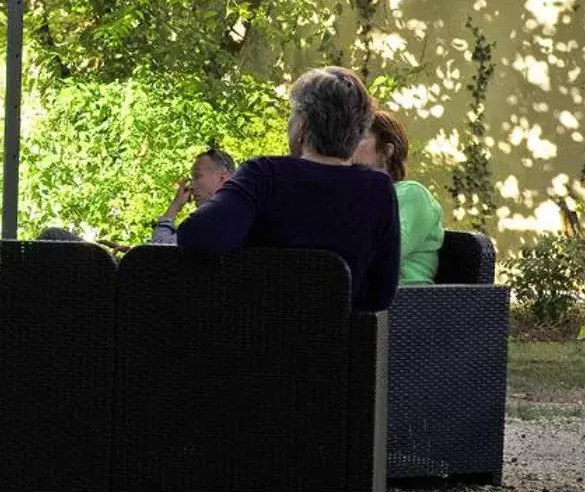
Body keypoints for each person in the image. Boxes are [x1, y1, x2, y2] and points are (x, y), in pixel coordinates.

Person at [176, 66, 400, 311]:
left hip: (246, 338)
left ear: (302, 127)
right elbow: (380, 295)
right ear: (357, 134)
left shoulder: (264, 175)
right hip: (331, 345)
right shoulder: (378, 190)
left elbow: (199, 235)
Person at [352, 107, 445, 284]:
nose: (348, 143)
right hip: (363, 299)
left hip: (405, 302)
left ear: (387, 151)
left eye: (360, 136)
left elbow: (384, 252)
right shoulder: (358, 196)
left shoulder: (411, 193)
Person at [147, 145, 236, 246]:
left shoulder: (208, 220)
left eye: (197, 176)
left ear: (223, 178)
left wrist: (174, 206)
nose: (190, 186)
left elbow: (159, 250)